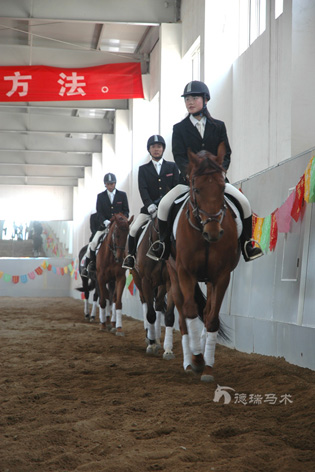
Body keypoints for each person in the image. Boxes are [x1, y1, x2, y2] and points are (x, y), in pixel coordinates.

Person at [147, 80, 263, 262]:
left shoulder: (218, 126)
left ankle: (248, 243)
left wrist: (220, 173)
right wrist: (189, 174)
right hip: (188, 182)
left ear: (205, 100)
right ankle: (162, 245)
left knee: (244, 202)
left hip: (216, 181)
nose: (190, 102)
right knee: (164, 206)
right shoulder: (179, 128)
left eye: (194, 98)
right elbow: (179, 155)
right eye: (187, 99)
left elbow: (226, 153)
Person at [122, 135, 179, 270]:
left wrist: (166, 203)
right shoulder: (143, 169)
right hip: (150, 208)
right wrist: (149, 205)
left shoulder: (172, 166)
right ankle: (131, 257)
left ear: (163, 149)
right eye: (153, 147)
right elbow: (143, 189)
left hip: (169, 207)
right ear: (149, 150)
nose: (156, 149)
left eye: (159, 147)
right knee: (134, 229)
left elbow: (176, 187)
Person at [82, 173, 129, 277]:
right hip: (105, 226)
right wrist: (105, 221)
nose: (110, 186)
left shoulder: (122, 195)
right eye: (108, 184)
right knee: (93, 243)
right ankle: (90, 264)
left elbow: (126, 211)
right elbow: (99, 212)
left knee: (127, 240)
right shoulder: (100, 196)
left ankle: (130, 260)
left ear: (115, 183)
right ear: (105, 185)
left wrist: (120, 220)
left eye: (112, 183)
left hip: (119, 226)